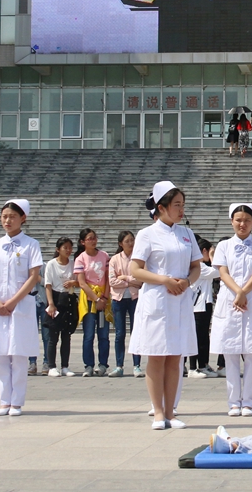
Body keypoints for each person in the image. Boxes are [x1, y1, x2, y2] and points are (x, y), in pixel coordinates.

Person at [130, 181, 203, 430]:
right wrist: (163, 280)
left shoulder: (187, 234)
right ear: (161, 208)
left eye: (183, 205)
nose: (181, 210)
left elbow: (196, 267)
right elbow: (135, 269)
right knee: (157, 356)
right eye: (176, 205)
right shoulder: (146, 234)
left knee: (175, 357)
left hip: (180, 300)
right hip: (157, 300)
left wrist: (186, 282)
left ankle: (171, 412)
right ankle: (158, 412)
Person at [0, 199, 43, 417]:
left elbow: (33, 276)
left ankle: (16, 401)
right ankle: (3, 400)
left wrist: (14, 301)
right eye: (4, 216)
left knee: (18, 354)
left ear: (22, 218)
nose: (7, 220)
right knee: (0, 354)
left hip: (20, 305)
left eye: (12, 216)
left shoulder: (30, 244)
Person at [210, 204, 252, 416]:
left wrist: (244, 292)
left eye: (247, 220)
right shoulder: (224, 246)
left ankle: (248, 402)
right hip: (230, 300)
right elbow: (223, 272)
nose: (242, 224)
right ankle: (233, 402)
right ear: (232, 221)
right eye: (238, 219)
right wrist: (238, 292)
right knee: (230, 354)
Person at [74, 227, 111, 377]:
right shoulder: (80, 258)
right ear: (83, 242)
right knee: (88, 334)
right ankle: (88, 365)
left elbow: (108, 278)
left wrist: (104, 298)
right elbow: (82, 283)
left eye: (94, 238)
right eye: (89, 239)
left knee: (103, 334)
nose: (93, 241)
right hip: (89, 300)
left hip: (103, 300)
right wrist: (95, 299)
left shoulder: (104, 256)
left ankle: (103, 364)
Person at [109, 230, 143, 378]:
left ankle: (137, 365)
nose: (130, 243)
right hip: (119, 299)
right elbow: (112, 281)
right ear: (120, 243)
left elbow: (141, 280)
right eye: (127, 241)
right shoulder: (115, 259)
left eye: (132, 240)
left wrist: (125, 278)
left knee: (136, 332)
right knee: (119, 333)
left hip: (135, 299)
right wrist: (130, 280)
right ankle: (119, 365)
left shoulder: (139, 259)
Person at [44, 237, 79, 377]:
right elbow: (48, 285)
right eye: (65, 247)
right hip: (56, 299)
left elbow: (79, 281)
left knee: (66, 335)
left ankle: (65, 366)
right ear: (58, 249)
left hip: (69, 299)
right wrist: (51, 304)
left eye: (70, 247)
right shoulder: (51, 264)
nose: (68, 250)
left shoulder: (73, 263)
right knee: (53, 336)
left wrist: (73, 283)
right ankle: (51, 366)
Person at [188, 237, 220, 378]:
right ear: (204, 251)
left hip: (204, 304)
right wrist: (213, 256)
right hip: (198, 306)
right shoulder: (200, 267)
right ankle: (194, 367)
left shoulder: (201, 266)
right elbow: (218, 272)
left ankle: (203, 364)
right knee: (198, 337)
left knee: (203, 337)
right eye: (209, 251)